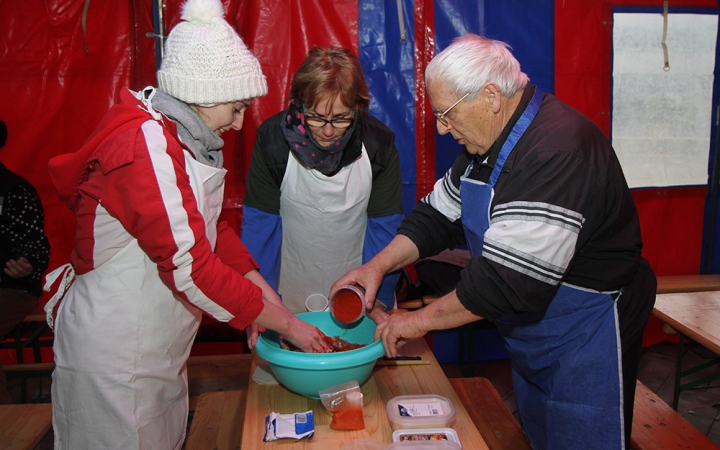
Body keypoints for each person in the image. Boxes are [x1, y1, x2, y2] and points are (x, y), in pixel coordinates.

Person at [333, 34, 656, 450]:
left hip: (588, 327)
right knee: (542, 433)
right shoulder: (486, 144)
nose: (442, 128)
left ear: (490, 96)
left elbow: (506, 281)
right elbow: (437, 215)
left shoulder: (557, 151)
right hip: (536, 329)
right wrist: (376, 267)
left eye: (446, 114)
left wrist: (413, 322)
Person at [43, 0, 328, 448]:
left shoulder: (182, 139)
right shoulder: (146, 147)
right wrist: (288, 325)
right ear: (201, 94)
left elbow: (210, 230)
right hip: (116, 360)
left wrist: (263, 297)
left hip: (155, 352)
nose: (237, 124)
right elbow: (191, 267)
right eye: (235, 108)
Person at [241, 46, 404, 317]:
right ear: (299, 103)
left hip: (359, 290)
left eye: (341, 118)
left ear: (357, 107)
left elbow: (384, 231)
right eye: (316, 117)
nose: (328, 131)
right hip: (286, 286)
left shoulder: (378, 145)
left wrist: (378, 298)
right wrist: (261, 302)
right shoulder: (273, 143)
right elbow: (260, 228)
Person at [0, 120, 51, 404]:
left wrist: (28, 263)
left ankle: (7, 427)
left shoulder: (14, 190)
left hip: (10, 288)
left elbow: (36, 245)